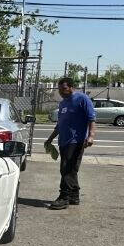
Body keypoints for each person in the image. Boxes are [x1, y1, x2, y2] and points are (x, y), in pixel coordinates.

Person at [44, 78, 96, 209]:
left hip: (76, 141)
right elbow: (59, 125)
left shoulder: (82, 99)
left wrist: (91, 136)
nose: (61, 91)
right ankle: (74, 195)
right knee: (70, 169)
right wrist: (50, 139)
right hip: (64, 141)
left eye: (64, 89)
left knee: (67, 169)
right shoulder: (63, 104)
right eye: (59, 89)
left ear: (72, 87)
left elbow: (92, 119)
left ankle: (64, 197)